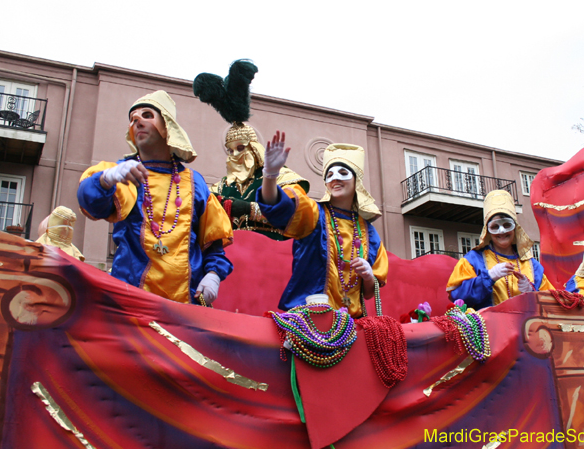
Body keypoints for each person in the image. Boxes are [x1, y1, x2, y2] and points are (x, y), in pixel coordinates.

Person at [77, 90, 233, 305]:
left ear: (166, 125)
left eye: (147, 115)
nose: (137, 121)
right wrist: (105, 180)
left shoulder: (195, 183)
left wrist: (214, 274)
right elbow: (91, 203)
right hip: (129, 306)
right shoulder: (122, 174)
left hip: (185, 309)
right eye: (133, 119)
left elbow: (213, 245)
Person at [257, 134, 387, 317]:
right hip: (309, 318)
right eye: (330, 174)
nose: (335, 179)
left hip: (351, 324)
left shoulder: (370, 235)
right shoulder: (314, 214)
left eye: (343, 173)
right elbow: (276, 206)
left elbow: (368, 293)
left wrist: (367, 275)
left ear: (356, 180)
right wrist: (270, 175)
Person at [193, 60, 309, 240]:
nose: (234, 155)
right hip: (231, 256)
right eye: (230, 151)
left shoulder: (283, 177)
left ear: (254, 149)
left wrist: (246, 209)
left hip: (272, 253)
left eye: (240, 148)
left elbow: (295, 215)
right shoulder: (221, 186)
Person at [446, 189, 554, 310]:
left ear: (515, 228)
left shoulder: (532, 265)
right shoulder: (473, 260)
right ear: (488, 230)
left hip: (526, 327)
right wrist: (488, 277)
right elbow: (457, 297)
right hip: (489, 327)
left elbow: (552, 302)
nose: (502, 231)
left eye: (507, 225)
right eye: (495, 226)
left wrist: (532, 292)